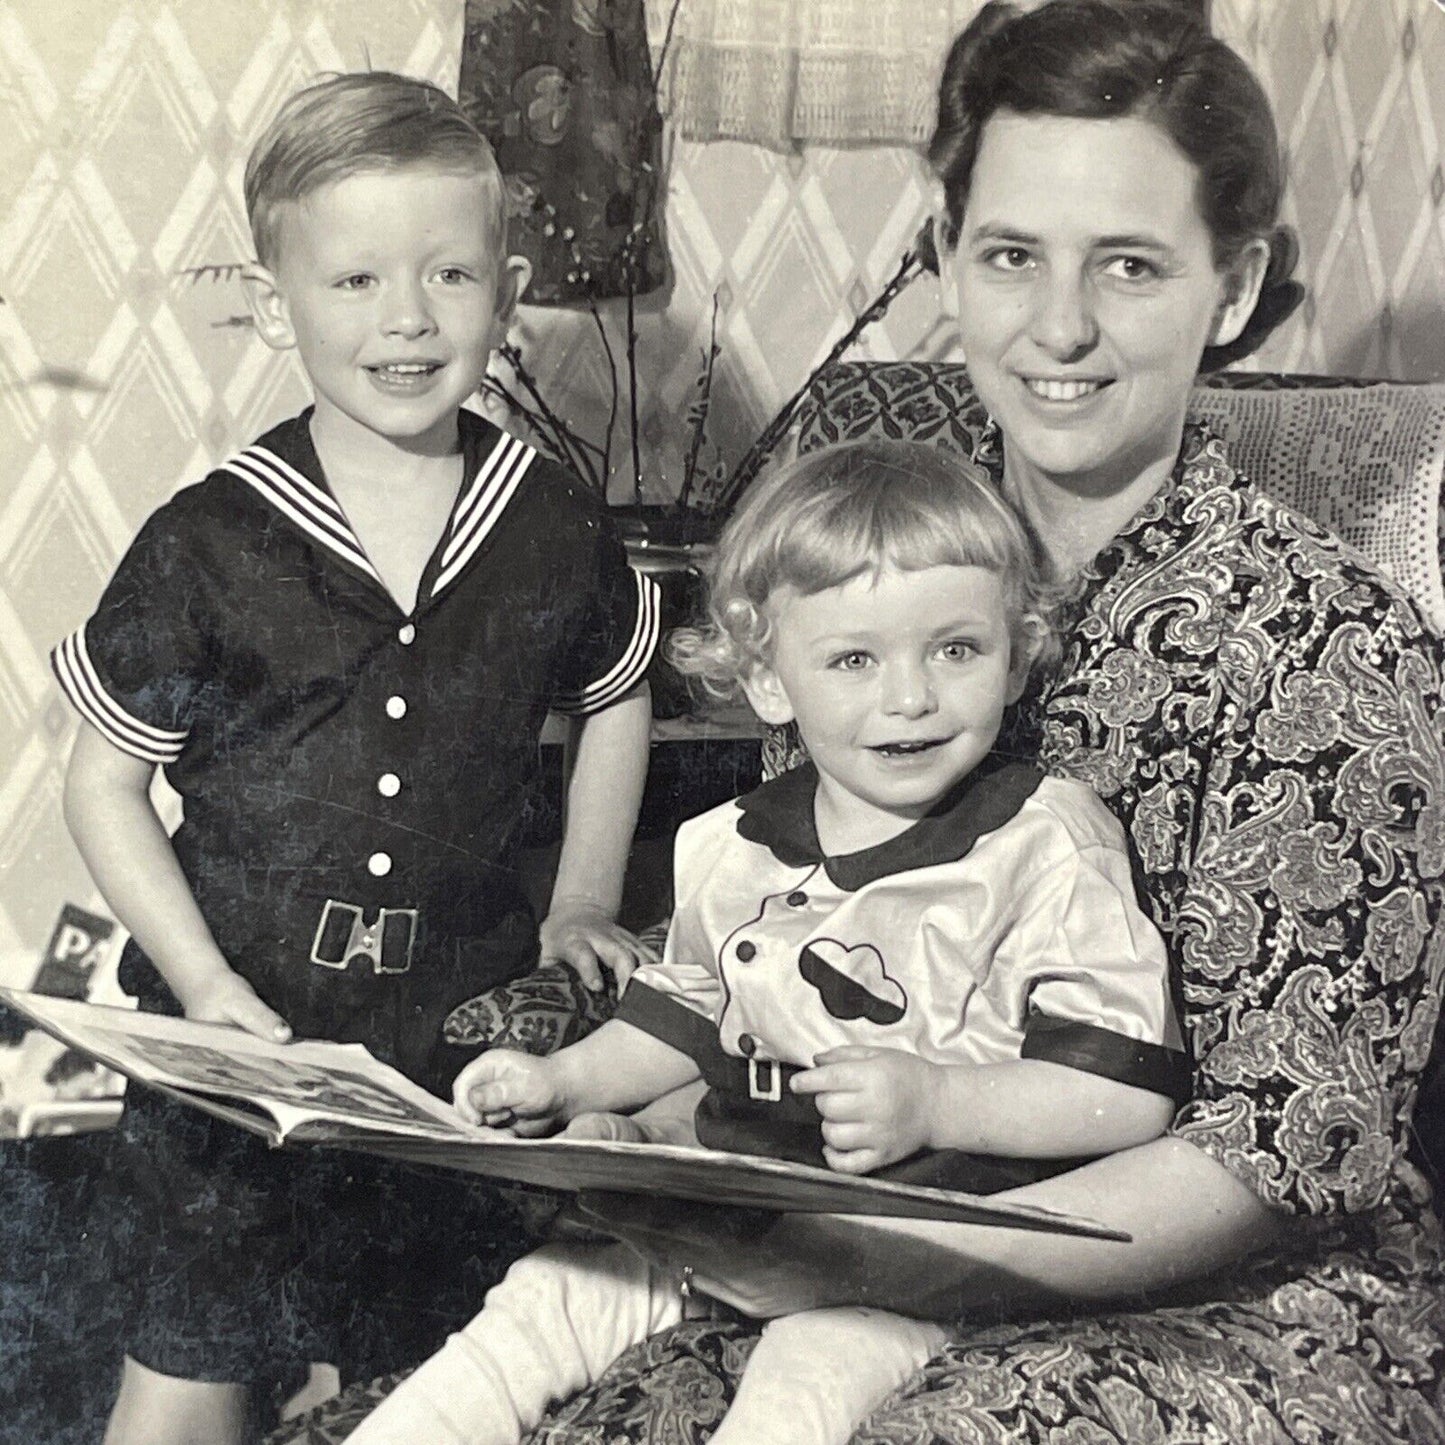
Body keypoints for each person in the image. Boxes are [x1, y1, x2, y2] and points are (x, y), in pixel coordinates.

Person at [428, 2, 1445, 1441]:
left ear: (1234, 287)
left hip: (1228, 1290)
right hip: (859, 1235)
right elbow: (788, 948)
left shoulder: (1332, 650)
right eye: (1011, 255)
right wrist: (658, 1134)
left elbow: (1290, 1158)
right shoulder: (863, 556)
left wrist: (872, 1252)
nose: (1060, 328)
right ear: (946, 256)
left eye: (1132, 267)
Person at [346, 436, 1194, 1445]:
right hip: (734, 1204)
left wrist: (938, 1098)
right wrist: (565, 1080)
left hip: (917, 1243)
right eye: (852, 659)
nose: (909, 696)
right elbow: (680, 1017)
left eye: (955, 648)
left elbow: (1129, 1091)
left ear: (1015, 655)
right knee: (542, 1297)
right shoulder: (733, 843)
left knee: (805, 1375)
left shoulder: (1045, 842)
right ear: (766, 679)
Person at [51, 71, 660, 1445]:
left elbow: (618, 692)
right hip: (242, 1037)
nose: (407, 318)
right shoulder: (209, 540)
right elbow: (103, 781)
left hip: (452, 1041)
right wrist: (200, 985)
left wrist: (579, 901)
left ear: (504, 292)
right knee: (192, 1348)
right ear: (277, 306)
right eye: (356, 281)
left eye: (449, 275)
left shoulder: (550, 520)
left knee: (439, 1366)